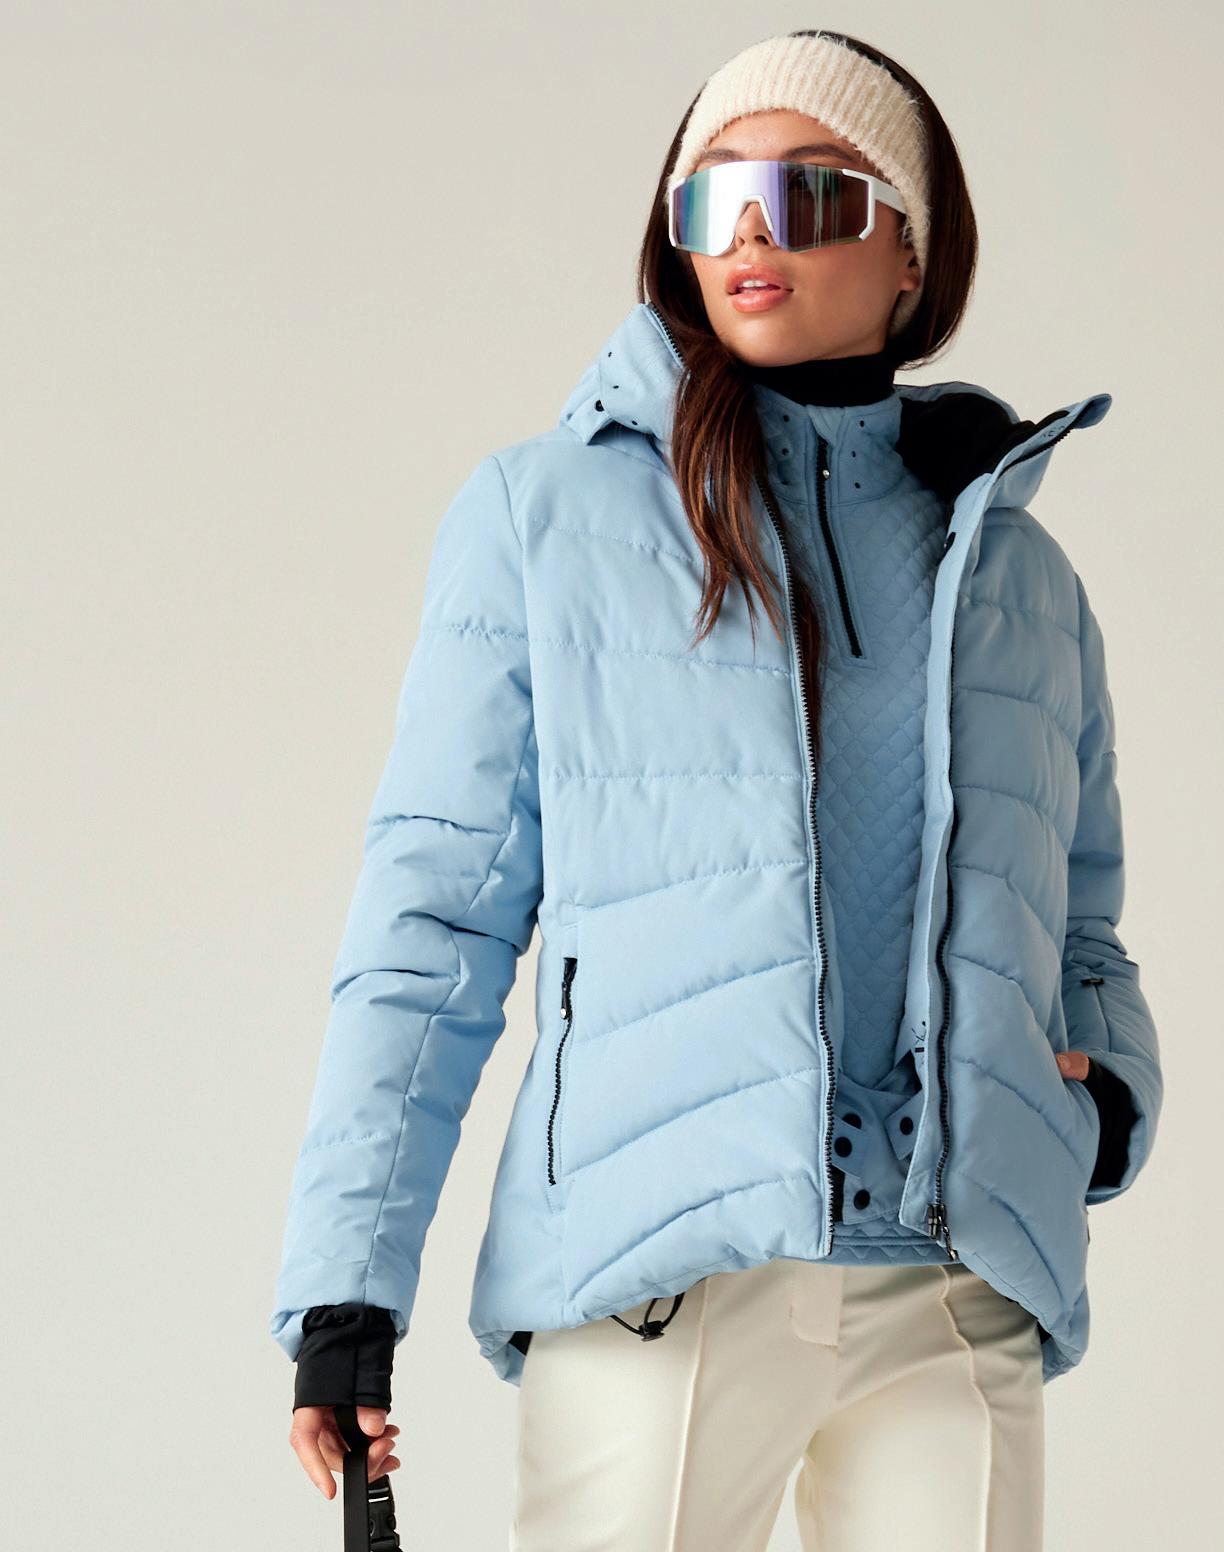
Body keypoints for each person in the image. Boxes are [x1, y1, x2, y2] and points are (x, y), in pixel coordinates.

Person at [275, 28, 1163, 1551]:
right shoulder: (547, 521)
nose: (751, 233)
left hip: (952, 1294)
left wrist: (1112, 1093)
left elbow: (1078, 925)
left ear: (911, 251)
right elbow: (434, 928)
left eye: (809, 194)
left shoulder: (1020, 578)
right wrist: (347, 1292)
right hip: (662, 1281)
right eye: (712, 198)